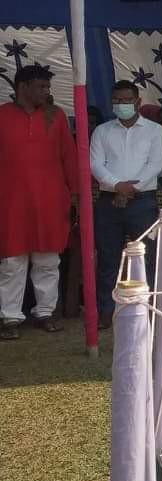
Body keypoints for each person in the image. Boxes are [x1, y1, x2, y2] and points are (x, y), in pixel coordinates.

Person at [0, 67, 77, 339]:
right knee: (12, 262)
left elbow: (69, 157)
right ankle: (10, 318)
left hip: (50, 201)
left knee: (48, 260)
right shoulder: (2, 115)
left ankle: (45, 312)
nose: (46, 92)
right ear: (23, 87)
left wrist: (76, 194)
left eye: (47, 87)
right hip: (11, 202)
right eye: (41, 87)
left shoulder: (56, 116)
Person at [90, 80, 162, 329]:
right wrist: (117, 186)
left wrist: (129, 189)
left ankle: (147, 308)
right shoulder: (102, 131)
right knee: (108, 259)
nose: (121, 104)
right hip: (109, 201)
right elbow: (95, 165)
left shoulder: (155, 130)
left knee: (146, 258)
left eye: (126, 100)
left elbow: (155, 165)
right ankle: (107, 311)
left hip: (142, 202)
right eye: (117, 101)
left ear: (138, 102)